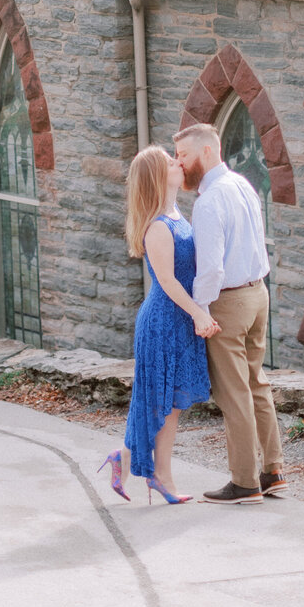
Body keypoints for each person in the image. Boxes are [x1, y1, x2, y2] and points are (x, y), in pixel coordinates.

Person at [174, 121, 287, 505]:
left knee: (234, 392)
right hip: (258, 294)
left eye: (184, 156)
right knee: (257, 383)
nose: (180, 164)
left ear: (207, 151)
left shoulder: (209, 202)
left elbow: (210, 269)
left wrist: (200, 312)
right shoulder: (242, 184)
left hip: (228, 301)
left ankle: (244, 482)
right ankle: (273, 472)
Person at [100, 145, 216, 505]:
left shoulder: (176, 213)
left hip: (179, 320)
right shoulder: (158, 227)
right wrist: (199, 313)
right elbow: (167, 281)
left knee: (171, 405)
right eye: (170, 161)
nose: (178, 163)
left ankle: (135, 462)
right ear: (156, 176)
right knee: (160, 403)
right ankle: (155, 474)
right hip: (164, 321)